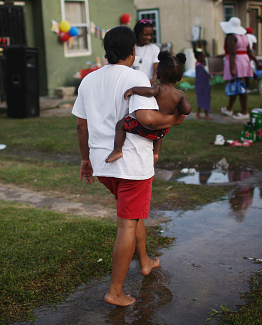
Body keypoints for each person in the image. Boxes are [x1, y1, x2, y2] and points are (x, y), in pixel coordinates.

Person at [72, 26, 185, 306]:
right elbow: (147, 118)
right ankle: (116, 291)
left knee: (133, 216)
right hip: (131, 165)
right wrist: (174, 121)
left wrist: (85, 160)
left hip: (103, 165)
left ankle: (145, 261)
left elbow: (80, 125)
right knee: (127, 224)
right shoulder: (135, 77)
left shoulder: (88, 80)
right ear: (132, 51)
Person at [106, 51, 192, 163]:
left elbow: (149, 91)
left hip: (145, 128)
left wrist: (134, 90)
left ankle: (117, 150)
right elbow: (187, 110)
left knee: (121, 125)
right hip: (162, 131)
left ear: (158, 74)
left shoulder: (158, 88)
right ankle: (155, 155)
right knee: (159, 134)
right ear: (180, 77)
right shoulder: (180, 95)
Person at [220, 17, 262, 120]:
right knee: (237, 85)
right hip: (245, 61)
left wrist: (231, 68)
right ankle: (229, 108)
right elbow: (249, 51)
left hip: (236, 62)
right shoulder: (244, 37)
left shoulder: (231, 37)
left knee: (240, 86)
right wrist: (257, 62)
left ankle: (244, 111)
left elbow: (233, 53)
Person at [133, 19, 161, 84]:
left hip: (148, 85)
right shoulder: (131, 48)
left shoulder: (154, 49)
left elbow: (156, 70)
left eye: (150, 35)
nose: (148, 37)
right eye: (145, 34)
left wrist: (150, 82)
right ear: (137, 33)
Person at [194, 49, 212, 120]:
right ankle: (206, 114)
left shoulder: (200, 65)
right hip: (202, 85)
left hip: (201, 85)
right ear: (198, 57)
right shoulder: (199, 66)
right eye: (202, 56)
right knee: (204, 99)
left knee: (201, 99)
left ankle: (198, 113)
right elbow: (202, 75)